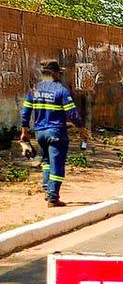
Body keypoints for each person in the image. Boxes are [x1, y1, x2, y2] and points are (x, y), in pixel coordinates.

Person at [20, 60, 89, 207]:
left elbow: (25, 112)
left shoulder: (35, 89)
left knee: (46, 162)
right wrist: (81, 128)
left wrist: (24, 132)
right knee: (57, 164)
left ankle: (47, 189)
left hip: (40, 133)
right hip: (56, 132)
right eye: (59, 72)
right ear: (55, 73)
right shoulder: (61, 90)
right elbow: (72, 113)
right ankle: (53, 197)